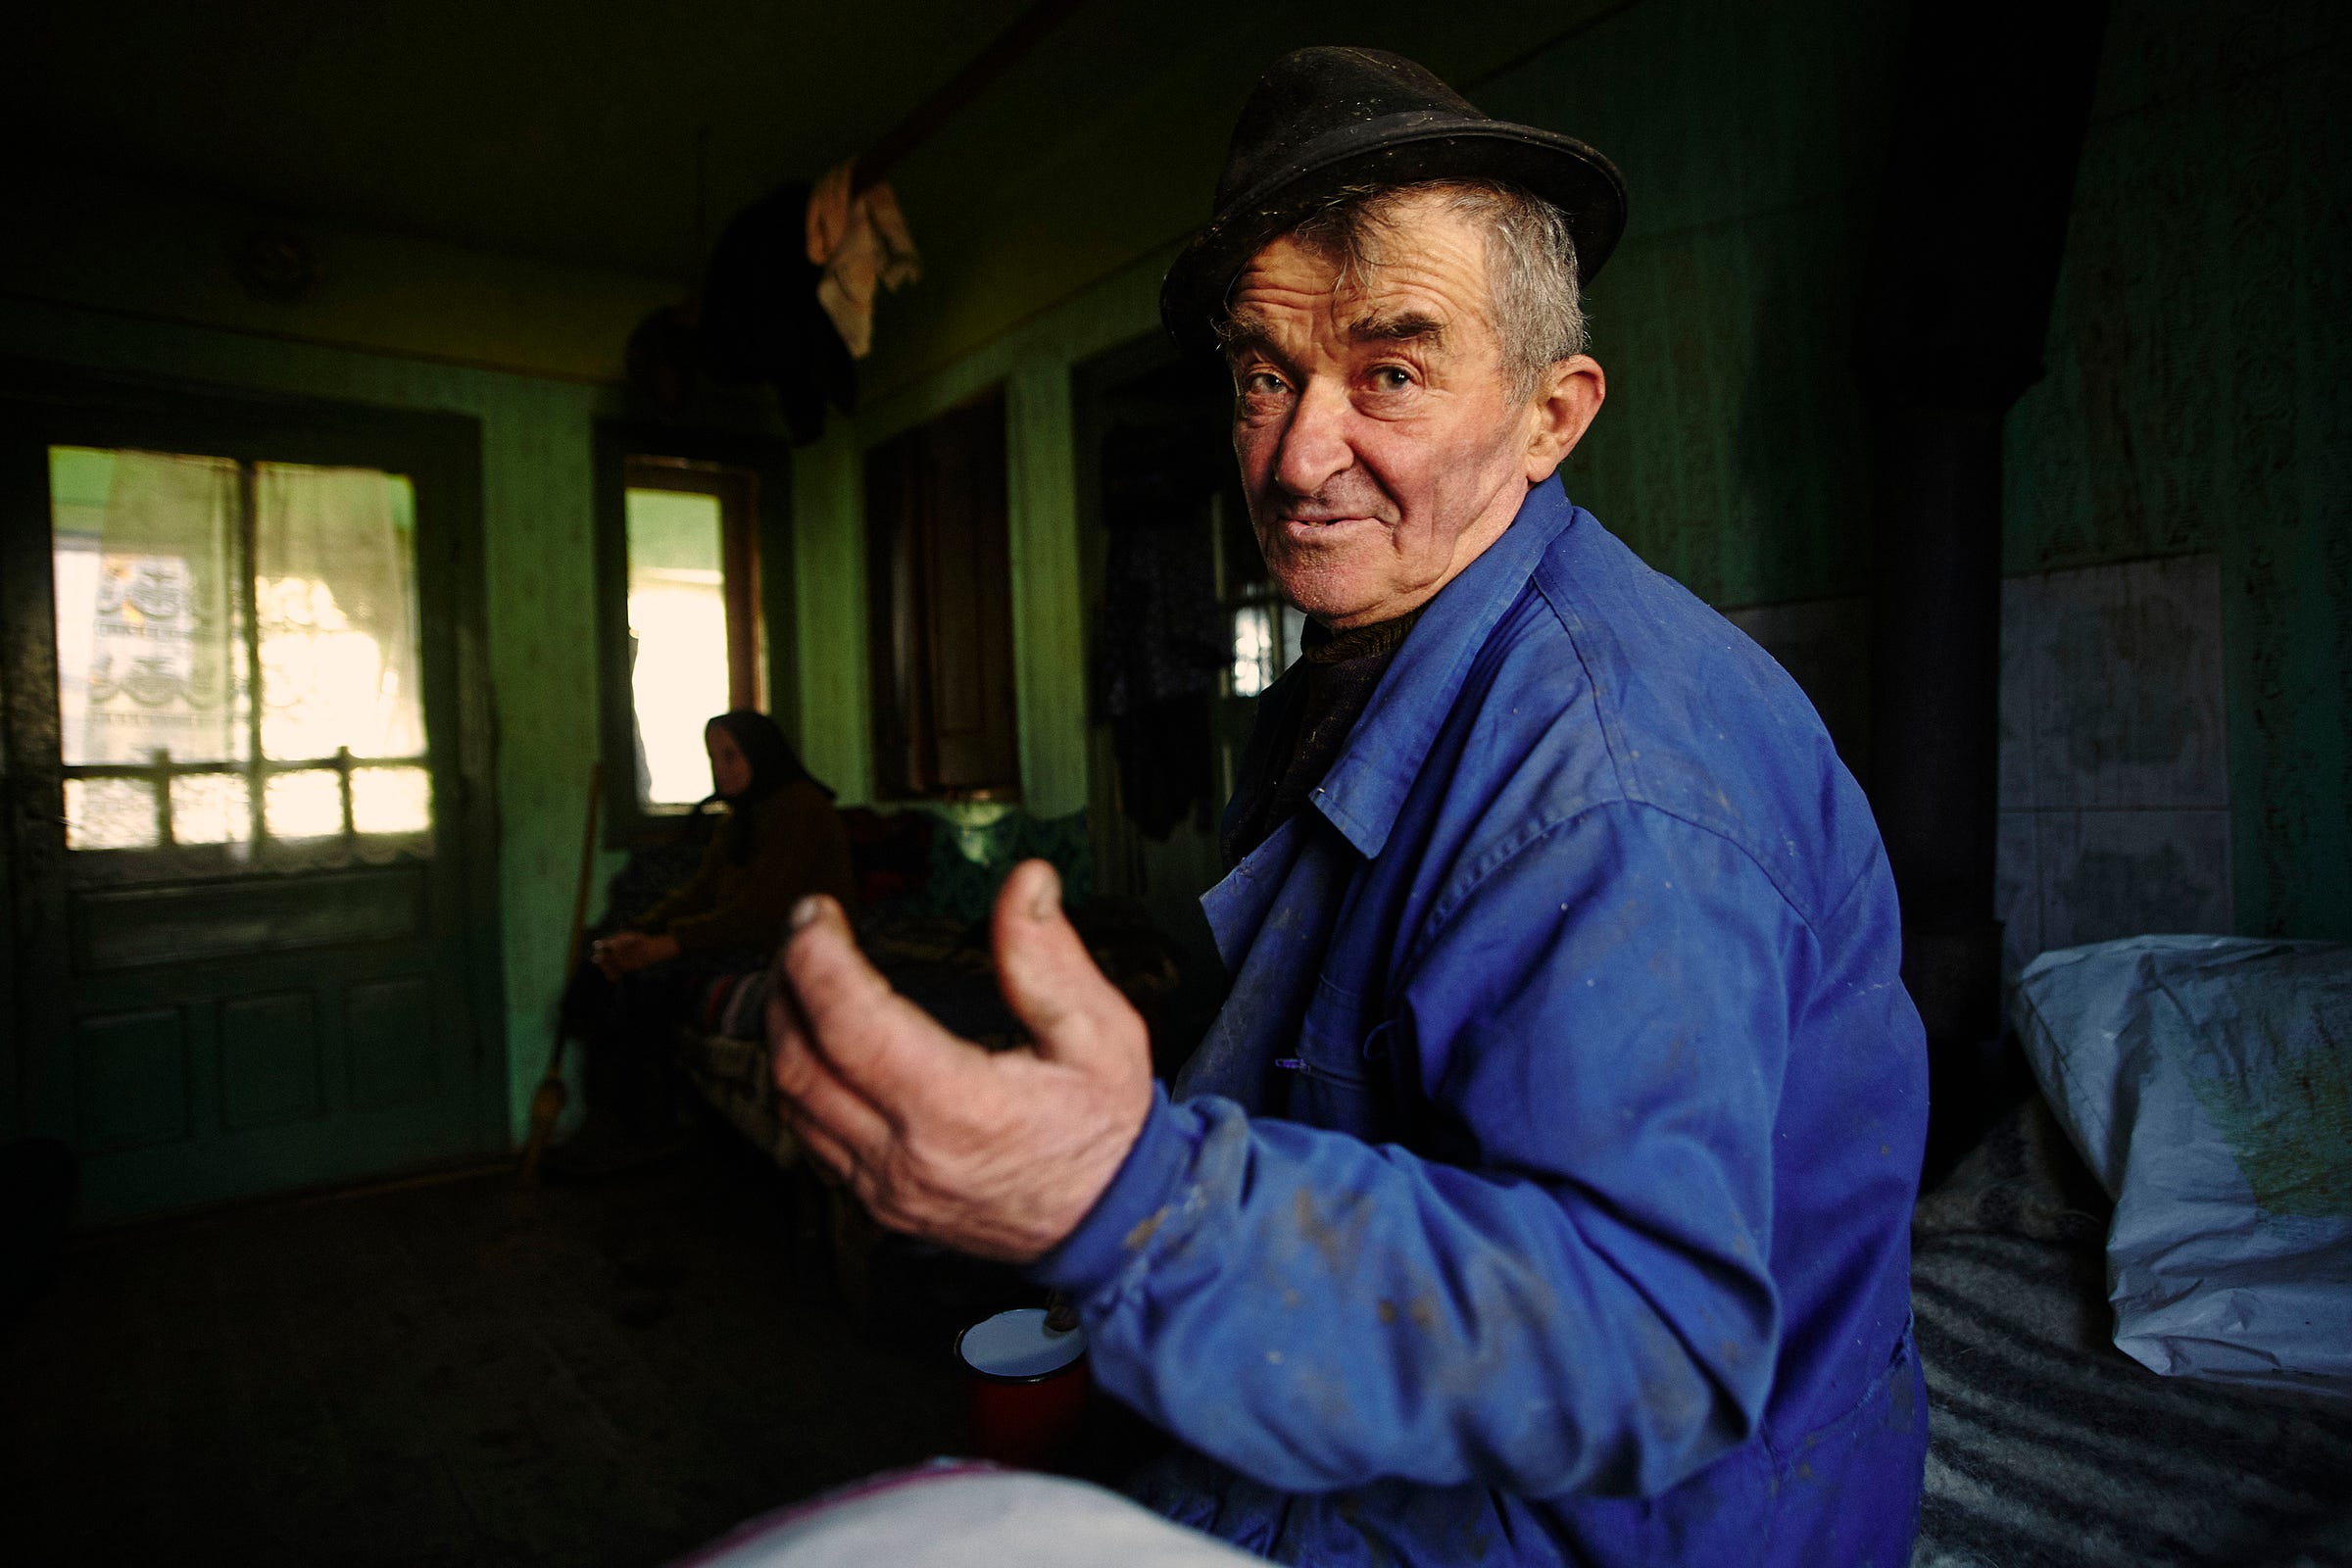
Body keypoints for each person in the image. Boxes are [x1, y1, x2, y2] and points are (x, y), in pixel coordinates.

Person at [766, 46, 1929, 1568]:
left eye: (1391, 372)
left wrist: (1125, 1200)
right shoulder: (1375, 652)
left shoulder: (1612, 781)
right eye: (1266, 376)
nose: (1301, 456)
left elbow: (1648, 1341)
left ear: (1552, 416)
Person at [559, 710, 853, 1170]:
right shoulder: (740, 817)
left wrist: (664, 946)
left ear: (760, 755)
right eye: (714, 759)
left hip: (790, 942)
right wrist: (638, 932)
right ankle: (624, 1120)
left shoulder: (800, 809)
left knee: (650, 979)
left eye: (731, 757)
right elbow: (699, 893)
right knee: (610, 969)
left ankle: (653, 1127)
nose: (721, 770)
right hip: (744, 936)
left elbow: (758, 914)